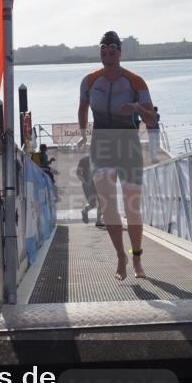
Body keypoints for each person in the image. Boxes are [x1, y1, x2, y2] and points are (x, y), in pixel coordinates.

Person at [78, 31, 156, 280]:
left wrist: (135, 107)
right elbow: (82, 109)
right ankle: (120, 256)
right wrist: (83, 134)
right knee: (108, 204)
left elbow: (152, 119)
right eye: (103, 51)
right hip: (102, 143)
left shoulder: (135, 81)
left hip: (128, 144)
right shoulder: (89, 81)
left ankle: (136, 257)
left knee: (132, 207)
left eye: (112, 52)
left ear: (120, 53)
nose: (107, 56)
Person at [75, 155, 103, 227]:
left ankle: (98, 220)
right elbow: (78, 173)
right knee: (92, 204)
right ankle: (85, 211)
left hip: (99, 183)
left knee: (101, 202)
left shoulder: (100, 159)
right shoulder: (83, 160)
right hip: (88, 185)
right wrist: (84, 182)